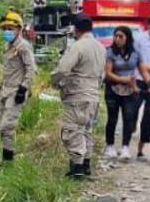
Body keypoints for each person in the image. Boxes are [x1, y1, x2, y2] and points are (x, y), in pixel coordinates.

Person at [51, 14, 106, 179]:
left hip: (78, 96)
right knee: (86, 131)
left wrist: (54, 81)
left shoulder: (78, 46)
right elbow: (102, 74)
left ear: (76, 29)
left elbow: (63, 69)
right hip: (94, 96)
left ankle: (77, 167)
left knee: (72, 131)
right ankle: (86, 164)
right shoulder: (100, 47)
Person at [0, 11, 36, 164]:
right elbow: (8, 70)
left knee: (7, 127)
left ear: (19, 29)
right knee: (2, 127)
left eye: (10, 28)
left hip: (16, 92)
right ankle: (5, 159)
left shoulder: (24, 47)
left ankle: (8, 162)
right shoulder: (8, 46)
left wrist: (23, 89)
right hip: (5, 91)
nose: (7, 31)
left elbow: (31, 69)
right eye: (5, 28)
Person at [104, 27, 141, 160]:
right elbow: (108, 72)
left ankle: (125, 147)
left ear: (127, 38)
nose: (117, 39)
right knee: (112, 118)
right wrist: (124, 80)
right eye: (116, 36)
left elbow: (142, 69)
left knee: (128, 117)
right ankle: (110, 146)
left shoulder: (135, 52)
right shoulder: (110, 52)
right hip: (113, 88)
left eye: (121, 36)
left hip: (130, 90)